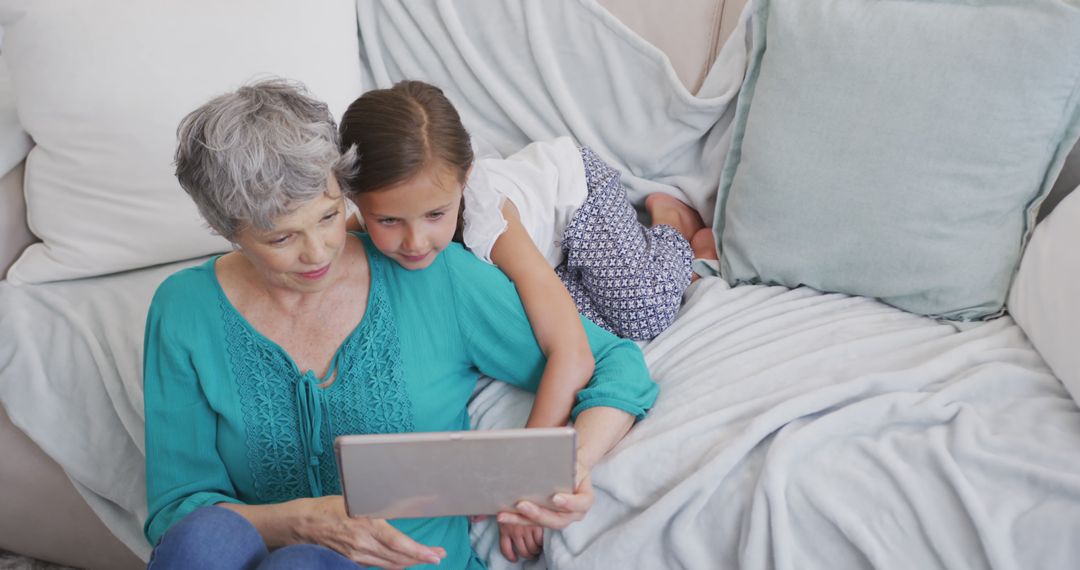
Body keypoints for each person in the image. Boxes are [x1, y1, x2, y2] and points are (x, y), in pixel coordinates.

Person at [142, 78, 659, 570]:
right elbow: (178, 508)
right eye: (280, 239)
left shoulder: (439, 280)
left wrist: (565, 469)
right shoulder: (183, 310)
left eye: (327, 217)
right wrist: (302, 523)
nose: (318, 253)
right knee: (205, 539)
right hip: (264, 552)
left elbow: (615, 363)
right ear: (222, 228)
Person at [338, 80, 711, 561]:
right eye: (388, 221)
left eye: (435, 214)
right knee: (562, 310)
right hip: (531, 267)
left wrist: (520, 477)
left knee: (642, 310)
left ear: (464, 181)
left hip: (574, 201)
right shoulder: (358, 234)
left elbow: (572, 354)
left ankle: (674, 231)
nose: (414, 241)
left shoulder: (492, 222)